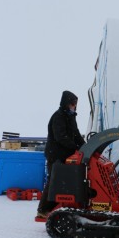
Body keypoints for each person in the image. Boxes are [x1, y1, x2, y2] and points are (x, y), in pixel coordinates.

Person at [36, 90, 85, 219]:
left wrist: (85, 146)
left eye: (75, 104)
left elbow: (76, 134)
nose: (74, 106)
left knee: (63, 181)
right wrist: (75, 147)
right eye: (72, 103)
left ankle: (58, 206)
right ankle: (43, 209)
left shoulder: (71, 116)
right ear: (66, 103)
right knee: (54, 181)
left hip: (66, 154)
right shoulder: (58, 117)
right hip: (55, 154)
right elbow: (60, 137)